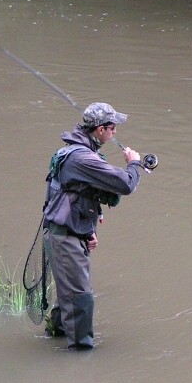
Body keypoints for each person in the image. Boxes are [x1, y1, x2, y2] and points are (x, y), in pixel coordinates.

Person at [42, 102, 143, 350]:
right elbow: (125, 184)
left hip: (69, 234)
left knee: (70, 292)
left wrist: (88, 232)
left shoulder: (77, 152)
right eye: (112, 127)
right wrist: (134, 164)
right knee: (81, 299)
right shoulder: (83, 158)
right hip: (65, 238)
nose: (115, 131)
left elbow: (76, 195)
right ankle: (80, 355)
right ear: (100, 129)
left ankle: (54, 337)